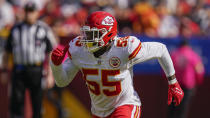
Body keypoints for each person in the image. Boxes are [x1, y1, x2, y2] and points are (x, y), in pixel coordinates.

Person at [50, 11, 184, 118]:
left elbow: (161, 49)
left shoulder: (124, 48)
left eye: (93, 34)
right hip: (98, 112)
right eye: (87, 33)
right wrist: (55, 65)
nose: (87, 39)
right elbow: (62, 81)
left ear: (108, 35)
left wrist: (173, 82)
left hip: (125, 105)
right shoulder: (78, 49)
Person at [2, 2, 57, 118]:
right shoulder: (15, 29)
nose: (29, 15)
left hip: (36, 69)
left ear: (37, 13)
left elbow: (51, 52)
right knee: (16, 102)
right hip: (19, 69)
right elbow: (7, 51)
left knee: (37, 103)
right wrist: (4, 71)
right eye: (27, 12)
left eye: (32, 12)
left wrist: (50, 74)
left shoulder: (43, 29)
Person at [168, 39, 205, 118]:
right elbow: (199, 71)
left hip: (175, 85)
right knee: (183, 109)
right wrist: (198, 82)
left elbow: (166, 69)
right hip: (187, 86)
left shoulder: (174, 54)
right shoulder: (193, 55)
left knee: (172, 109)